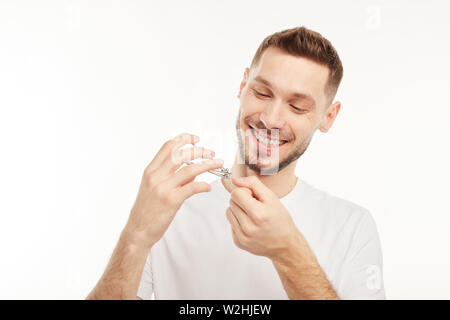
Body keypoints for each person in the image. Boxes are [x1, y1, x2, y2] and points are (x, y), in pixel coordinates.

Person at [87, 26, 385, 300]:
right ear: (243, 84)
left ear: (328, 117)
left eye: (297, 106)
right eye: (262, 92)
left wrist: (288, 250)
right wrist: (135, 236)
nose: (270, 119)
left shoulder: (351, 227)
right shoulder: (171, 209)